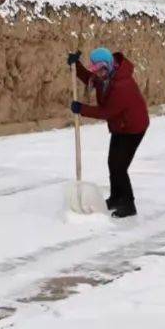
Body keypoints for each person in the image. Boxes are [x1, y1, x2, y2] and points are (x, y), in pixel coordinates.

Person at [68, 47, 149, 218]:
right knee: (113, 163)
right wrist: (76, 65)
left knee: (120, 167)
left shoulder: (121, 85)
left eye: (101, 70)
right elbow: (89, 79)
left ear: (109, 66)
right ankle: (116, 197)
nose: (98, 74)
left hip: (134, 127)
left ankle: (128, 204)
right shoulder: (106, 77)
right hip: (120, 125)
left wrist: (82, 109)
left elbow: (106, 112)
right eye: (96, 71)